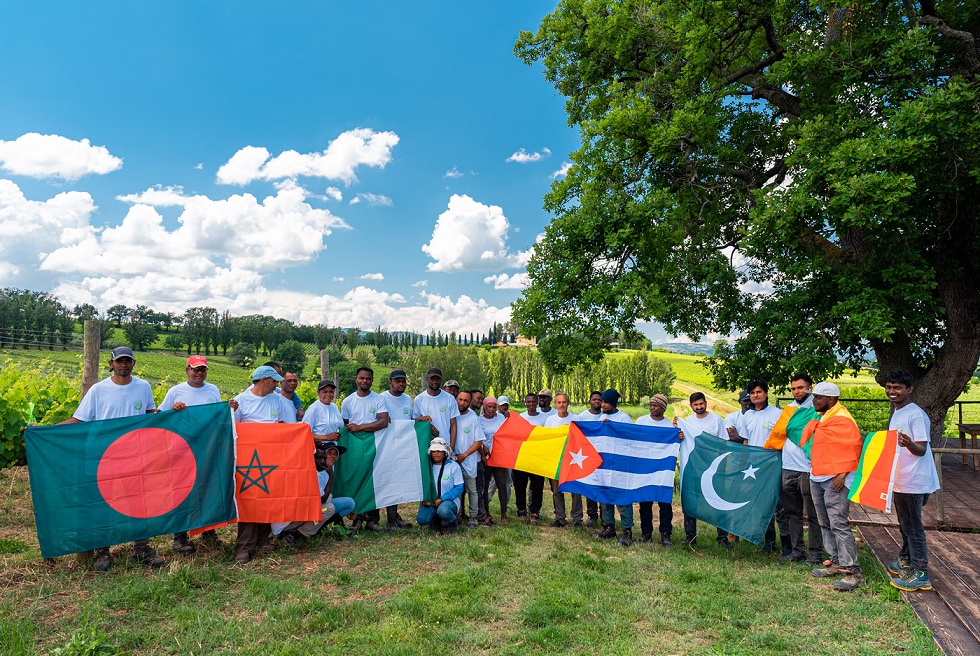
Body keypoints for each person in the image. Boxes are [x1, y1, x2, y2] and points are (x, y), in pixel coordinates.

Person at [59, 346, 164, 572]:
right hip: (103, 457)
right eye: (120, 361)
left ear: (133, 363)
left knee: (138, 503)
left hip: (135, 456)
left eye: (128, 361)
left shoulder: (143, 387)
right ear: (111, 363)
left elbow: (149, 417)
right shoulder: (98, 390)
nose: (124, 365)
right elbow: (79, 419)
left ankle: (141, 548)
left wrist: (173, 413)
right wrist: (46, 430)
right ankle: (102, 551)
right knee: (102, 504)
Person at [159, 355, 238, 555]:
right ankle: (179, 537)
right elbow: (159, 417)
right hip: (181, 450)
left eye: (203, 369)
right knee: (182, 491)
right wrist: (173, 410)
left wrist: (229, 410)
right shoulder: (175, 391)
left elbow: (217, 416)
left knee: (208, 488)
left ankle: (208, 531)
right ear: (187, 370)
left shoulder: (213, 390)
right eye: (195, 369)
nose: (199, 373)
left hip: (208, 448)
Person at [232, 365, 298, 564]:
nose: (277, 384)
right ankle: (244, 547)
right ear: (263, 381)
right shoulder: (240, 401)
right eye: (274, 381)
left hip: (272, 457)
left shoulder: (276, 400)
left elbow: (281, 425)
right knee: (250, 501)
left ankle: (262, 538)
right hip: (249, 462)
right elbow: (234, 430)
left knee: (269, 497)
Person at [884, 370, 940, 592]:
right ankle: (905, 560)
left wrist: (908, 443)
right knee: (906, 524)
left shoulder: (915, 415)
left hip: (914, 480)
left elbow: (921, 449)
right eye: (889, 387)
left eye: (897, 387)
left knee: (913, 527)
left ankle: (920, 573)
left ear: (909, 389)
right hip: (902, 478)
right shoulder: (898, 412)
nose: (892, 391)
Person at [807, 382, 865, 591]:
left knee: (838, 523)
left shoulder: (843, 418)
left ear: (830, 400)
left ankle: (852, 571)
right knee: (825, 522)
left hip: (836, 479)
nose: (814, 401)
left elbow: (855, 448)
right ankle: (836, 562)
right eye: (814, 396)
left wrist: (842, 475)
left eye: (818, 397)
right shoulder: (825, 416)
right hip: (819, 476)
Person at [730, 380, 784, 553]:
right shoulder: (748, 416)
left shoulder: (778, 414)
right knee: (761, 504)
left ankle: (788, 544)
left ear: (766, 393)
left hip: (773, 465)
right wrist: (746, 462)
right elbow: (746, 441)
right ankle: (768, 542)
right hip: (755, 467)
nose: (755, 395)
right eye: (752, 393)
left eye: (759, 392)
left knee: (779, 505)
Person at [779, 373, 824, 564]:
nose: (797, 392)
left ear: (810, 388)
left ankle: (815, 554)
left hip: (808, 468)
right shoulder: (788, 410)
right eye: (794, 388)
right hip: (787, 467)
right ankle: (797, 551)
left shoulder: (818, 409)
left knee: (813, 514)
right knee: (792, 512)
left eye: (800, 388)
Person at [273, 441, 356, 545]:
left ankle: (317, 527)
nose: (332, 457)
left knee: (348, 503)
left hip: (303, 512)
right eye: (329, 454)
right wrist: (331, 477)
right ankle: (297, 535)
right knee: (328, 508)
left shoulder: (324, 470)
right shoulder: (314, 472)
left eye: (335, 454)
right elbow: (323, 500)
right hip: (290, 519)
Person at [676, 392, 730, 548]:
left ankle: (722, 537)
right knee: (691, 500)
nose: (699, 407)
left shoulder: (716, 420)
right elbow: (685, 442)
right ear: (691, 406)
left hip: (715, 468)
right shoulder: (689, 422)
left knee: (719, 501)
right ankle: (690, 536)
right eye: (695, 405)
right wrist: (679, 434)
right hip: (695, 468)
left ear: (706, 403)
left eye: (701, 404)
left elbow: (724, 443)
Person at [341, 367, 390, 532]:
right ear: (356, 379)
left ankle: (373, 519)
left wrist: (361, 427)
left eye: (368, 379)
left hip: (374, 444)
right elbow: (345, 426)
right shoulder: (348, 401)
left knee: (373, 479)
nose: (364, 381)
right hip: (355, 447)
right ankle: (357, 519)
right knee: (356, 479)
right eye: (361, 378)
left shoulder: (378, 399)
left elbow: (383, 422)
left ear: (372, 380)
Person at [636, 394, 678, 546]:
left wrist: (678, 435)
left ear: (663, 408)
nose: (652, 407)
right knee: (645, 503)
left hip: (662, 469)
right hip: (645, 468)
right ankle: (646, 532)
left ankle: (665, 534)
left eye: (655, 405)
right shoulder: (641, 421)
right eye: (651, 405)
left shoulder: (669, 426)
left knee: (664, 503)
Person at [594, 389, 635, 546]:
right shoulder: (601, 416)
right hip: (604, 464)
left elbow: (629, 439)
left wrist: (612, 427)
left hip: (620, 465)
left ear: (613, 403)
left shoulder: (624, 418)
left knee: (622, 498)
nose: (602, 404)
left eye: (605, 402)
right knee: (605, 498)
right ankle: (609, 527)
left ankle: (627, 531)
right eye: (602, 401)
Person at [378, 368, 414, 529]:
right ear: (390, 382)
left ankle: (395, 516)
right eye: (397, 381)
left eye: (403, 381)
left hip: (403, 447)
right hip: (386, 446)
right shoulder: (381, 398)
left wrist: (421, 421)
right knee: (388, 482)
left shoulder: (407, 400)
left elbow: (408, 420)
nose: (401, 384)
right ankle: (389, 519)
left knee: (399, 483)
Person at [417, 438, 464, 533]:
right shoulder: (428, 467)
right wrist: (426, 499)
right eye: (433, 451)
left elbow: (459, 488)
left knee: (443, 511)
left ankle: (453, 521)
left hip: (449, 501)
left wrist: (442, 499)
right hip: (432, 501)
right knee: (421, 519)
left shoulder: (453, 466)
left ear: (445, 452)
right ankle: (437, 522)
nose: (436, 453)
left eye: (439, 451)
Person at [454, 391, 486, 528]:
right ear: (456, 399)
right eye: (460, 399)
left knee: (472, 490)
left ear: (470, 402)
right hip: (453, 461)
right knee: (456, 490)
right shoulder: (451, 416)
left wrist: (464, 455)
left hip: (468, 461)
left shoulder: (473, 418)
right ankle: (456, 515)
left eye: (465, 401)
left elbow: (478, 441)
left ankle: (473, 517)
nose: (462, 403)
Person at [545, 392, 576, 527]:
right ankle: (559, 517)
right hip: (556, 460)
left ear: (568, 403)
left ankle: (577, 518)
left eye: (564, 402)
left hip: (573, 459)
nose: (562, 405)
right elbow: (546, 439)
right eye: (559, 402)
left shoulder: (576, 419)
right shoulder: (550, 421)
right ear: (555, 404)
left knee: (575, 490)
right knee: (557, 490)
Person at [574, 390, 604, 526]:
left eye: (599, 399)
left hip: (604, 456)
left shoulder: (606, 416)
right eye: (594, 399)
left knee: (602, 486)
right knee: (590, 486)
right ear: (589, 401)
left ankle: (605, 516)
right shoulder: (582, 417)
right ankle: (592, 516)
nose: (596, 401)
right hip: (587, 456)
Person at [515, 393, 546, 523]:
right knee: (520, 485)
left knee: (537, 486)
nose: (531, 404)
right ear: (525, 403)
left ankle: (534, 512)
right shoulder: (519, 418)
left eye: (534, 402)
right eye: (529, 402)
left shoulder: (544, 419)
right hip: (522, 457)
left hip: (538, 457)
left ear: (537, 402)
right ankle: (521, 510)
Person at [479, 397, 508, 522]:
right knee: (485, 486)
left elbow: (507, 432)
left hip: (500, 455)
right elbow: (477, 437)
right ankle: (486, 512)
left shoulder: (501, 418)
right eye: (488, 407)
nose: (491, 409)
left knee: (502, 485)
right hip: (486, 457)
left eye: (493, 407)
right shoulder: (479, 420)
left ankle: (503, 513)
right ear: (484, 407)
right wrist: (483, 449)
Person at [413, 367, 459, 448]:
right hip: (426, 443)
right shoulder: (419, 399)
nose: (435, 381)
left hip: (445, 444)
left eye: (437, 379)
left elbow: (453, 425)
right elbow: (415, 422)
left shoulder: (449, 398)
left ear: (441, 380)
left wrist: (451, 448)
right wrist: (428, 425)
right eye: (432, 379)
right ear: (427, 379)